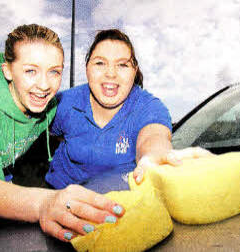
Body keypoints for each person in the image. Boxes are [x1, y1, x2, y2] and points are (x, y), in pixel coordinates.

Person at [0, 24, 125, 250]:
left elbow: (94, 113)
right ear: (8, 70)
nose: (45, 85)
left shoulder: (49, 106)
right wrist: (44, 203)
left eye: (54, 71)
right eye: (30, 71)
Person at [46, 29, 212, 191]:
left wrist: (155, 157)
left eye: (122, 65)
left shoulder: (149, 106)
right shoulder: (64, 102)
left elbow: (153, 137)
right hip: (59, 198)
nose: (110, 73)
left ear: (134, 71)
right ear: (87, 68)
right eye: (100, 63)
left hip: (118, 207)